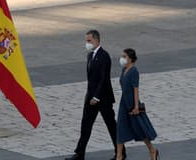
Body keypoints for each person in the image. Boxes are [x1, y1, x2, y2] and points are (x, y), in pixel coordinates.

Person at [65, 30, 126, 160]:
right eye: (86, 41)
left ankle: (120, 152)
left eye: (89, 41)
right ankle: (79, 154)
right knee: (85, 125)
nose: (87, 43)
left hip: (103, 98)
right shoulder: (90, 56)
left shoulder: (104, 56)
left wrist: (96, 96)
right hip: (90, 98)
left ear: (97, 40)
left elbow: (104, 79)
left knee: (111, 125)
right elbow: (91, 79)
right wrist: (90, 96)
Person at [116, 48, 159, 160]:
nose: (122, 58)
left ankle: (152, 150)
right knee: (120, 128)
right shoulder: (124, 69)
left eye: (124, 56)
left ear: (130, 58)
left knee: (140, 128)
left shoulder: (134, 71)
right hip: (123, 103)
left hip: (132, 104)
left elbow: (135, 89)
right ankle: (119, 156)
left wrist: (136, 106)